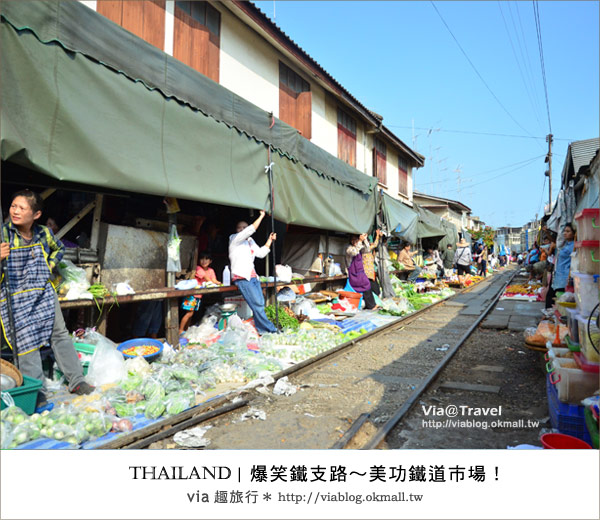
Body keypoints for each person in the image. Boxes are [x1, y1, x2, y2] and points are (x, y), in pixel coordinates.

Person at [1, 190, 94, 408]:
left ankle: (77, 381)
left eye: (22, 208)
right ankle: (38, 393)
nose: (15, 211)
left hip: (43, 293)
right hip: (15, 297)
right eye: (13, 206)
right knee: (26, 345)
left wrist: (49, 265)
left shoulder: (43, 233)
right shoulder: (4, 235)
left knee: (59, 335)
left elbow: (59, 249)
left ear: (36, 214)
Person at [229, 210, 277, 334]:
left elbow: (260, 253)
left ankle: (262, 330)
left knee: (260, 303)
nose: (242, 229)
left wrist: (269, 240)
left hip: (253, 277)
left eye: (244, 227)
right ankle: (270, 330)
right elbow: (251, 229)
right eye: (239, 228)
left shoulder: (250, 241)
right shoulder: (234, 239)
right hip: (242, 278)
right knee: (257, 305)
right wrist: (261, 216)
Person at [179, 252, 220, 334]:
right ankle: (180, 330)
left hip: (198, 296)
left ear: (210, 261)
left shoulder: (211, 270)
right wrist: (213, 283)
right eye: (202, 259)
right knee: (189, 313)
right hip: (192, 295)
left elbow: (214, 280)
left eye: (206, 259)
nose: (204, 261)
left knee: (191, 314)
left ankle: (186, 330)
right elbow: (207, 278)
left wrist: (221, 284)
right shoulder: (197, 268)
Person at [545, 223, 575, 309]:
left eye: (568, 231)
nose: (565, 233)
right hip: (558, 276)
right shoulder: (565, 244)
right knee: (552, 297)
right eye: (564, 231)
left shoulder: (573, 246)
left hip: (564, 277)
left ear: (573, 233)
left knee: (556, 299)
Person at [346, 234, 377, 309]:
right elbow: (354, 252)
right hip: (354, 274)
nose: (356, 242)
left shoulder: (360, 248)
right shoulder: (349, 249)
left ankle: (371, 304)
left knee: (367, 284)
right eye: (354, 240)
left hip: (360, 272)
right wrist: (360, 241)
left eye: (356, 240)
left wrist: (365, 239)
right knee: (366, 284)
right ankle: (371, 305)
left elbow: (367, 249)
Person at [361, 229, 383, 296]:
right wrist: (377, 235)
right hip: (368, 272)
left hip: (369, 271)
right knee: (374, 287)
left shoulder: (365, 250)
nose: (370, 243)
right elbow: (375, 244)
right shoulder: (365, 249)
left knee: (374, 286)